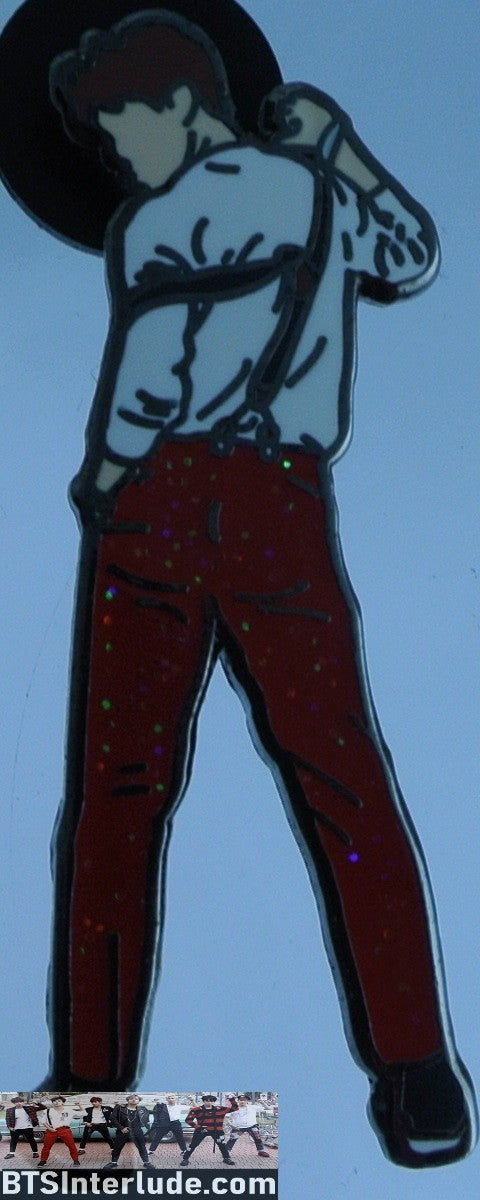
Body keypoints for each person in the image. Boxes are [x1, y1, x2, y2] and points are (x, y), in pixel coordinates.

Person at [44, 9, 476, 1168]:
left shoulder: (157, 225)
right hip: (285, 503)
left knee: (119, 794)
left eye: (121, 127)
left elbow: (154, 372)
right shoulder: (316, 191)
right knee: (344, 777)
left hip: (163, 506)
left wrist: (105, 479)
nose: (117, 155)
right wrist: (341, 148)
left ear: (178, 105)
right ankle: (420, 1073)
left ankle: (90, 1097)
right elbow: (410, 255)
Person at [182, 1095, 237, 1165]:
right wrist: (198, 1127)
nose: (209, 1102)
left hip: (217, 1131)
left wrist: (232, 1099)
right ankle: (185, 1159)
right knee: (193, 1145)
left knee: (222, 1145)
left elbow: (235, 1108)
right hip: (201, 1130)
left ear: (214, 1102)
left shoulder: (220, 1109)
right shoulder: (196, 1110)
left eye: (211, 1101)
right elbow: (188, 1120)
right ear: (203, 1101)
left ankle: (226, 1158)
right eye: (207, 1101)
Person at [38, 1097, 85, 1167]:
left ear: (63, 1103)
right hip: (51, 1130)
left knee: (71, 1146)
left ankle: (76, 1160)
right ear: (52, 1103)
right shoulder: (47, 1111)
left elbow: (84, 1113)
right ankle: (43, 1161)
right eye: (54, 1101)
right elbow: (42, 1121)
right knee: (46, 1147)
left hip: (64, 1130)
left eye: (59, 1101)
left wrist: (79, 1105)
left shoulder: (69, 1110)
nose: (57, 1102)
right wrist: (49, 1128)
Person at [109, 1096, 150, 1168]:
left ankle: (146, 1163)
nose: (134, 1100)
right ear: (128, 1100)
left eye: (136, 1099)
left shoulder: (142, 1109)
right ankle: (113, 1163)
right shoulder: (119, 1108)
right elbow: (112, 1118)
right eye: (131, 1098)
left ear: (139, 1101)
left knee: (142, 1147)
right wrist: (121, 1128)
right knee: (117, 1147)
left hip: (137, 1130)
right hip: (123, 1130)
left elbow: (149, 1116)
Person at [5, 1096, 46, 1160]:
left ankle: (35, 1152)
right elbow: (7, 1119)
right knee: (13, 1140)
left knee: (31, 1140)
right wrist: (9, 1127)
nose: (19, 1103)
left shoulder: (29, 1108)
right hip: (15, 1128)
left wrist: (37, 1103)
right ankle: (11, 1153)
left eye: (21, 1102)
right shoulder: (9, 1110)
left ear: (23, 1102)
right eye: (17, 1102)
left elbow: (43, 1107)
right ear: (14, 1103)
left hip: (28, 1127)